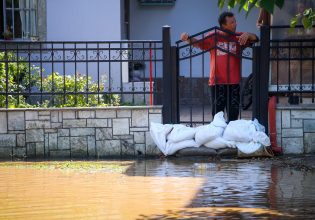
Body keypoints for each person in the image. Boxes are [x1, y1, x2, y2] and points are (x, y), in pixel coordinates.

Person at [180, 11, 258, 122]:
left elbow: (256, 39)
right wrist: (187, 38)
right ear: (223, 25)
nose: (235, 24)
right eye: (232, 22)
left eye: (235, 22)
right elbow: (198, 43)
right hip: (217, 83)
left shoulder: (238, 37)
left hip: (234, 83)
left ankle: (231, 138)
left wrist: (249, 34)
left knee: (233, 117)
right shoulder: (213, 36)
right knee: (217, 117)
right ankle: (218, 138)